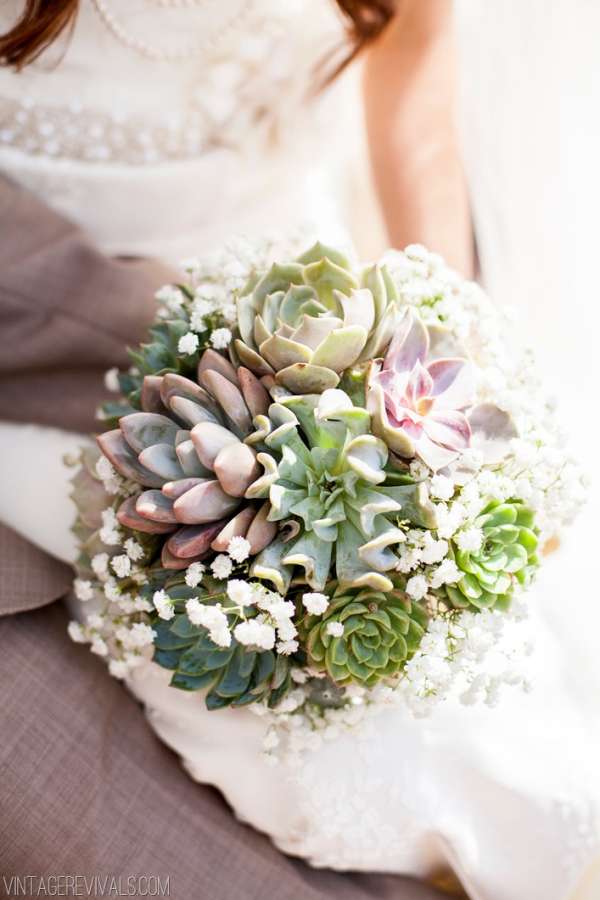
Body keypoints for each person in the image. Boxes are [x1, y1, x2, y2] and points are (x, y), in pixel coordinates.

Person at [1, 1, 599, 898]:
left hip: (287, 321)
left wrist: (437, 369)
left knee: (442, 741)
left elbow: (414, 53)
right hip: (31, 291)